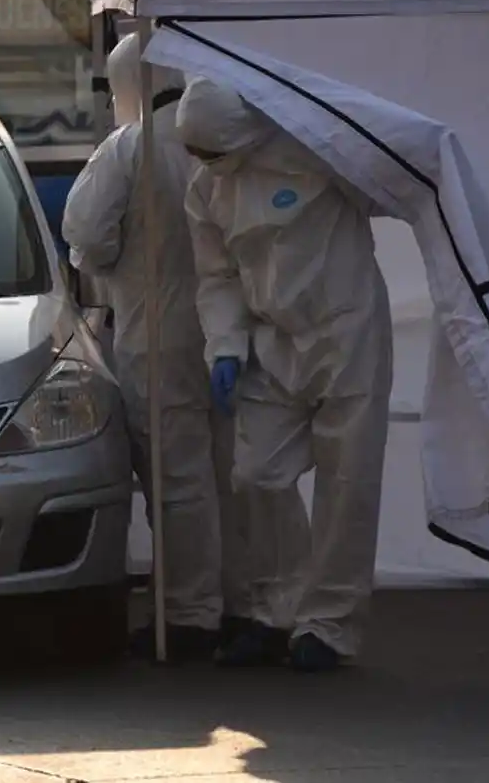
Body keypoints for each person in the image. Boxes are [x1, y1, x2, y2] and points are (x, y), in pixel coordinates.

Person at [176, 75, 392, 673]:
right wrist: (225, 344)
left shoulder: (317, 151)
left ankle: (330, 624)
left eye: (210, 150)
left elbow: (391, 188)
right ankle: (276, 610)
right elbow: (217, 275)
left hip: (346, 329)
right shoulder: (206, 188)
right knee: (257, 475)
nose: (204, 161)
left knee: (347, 478)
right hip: (271, 338)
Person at [62, 34, 256, 661]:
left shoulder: (130, 146)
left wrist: (115, 268)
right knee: (236, 473)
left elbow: (87, 235)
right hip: (233, 329)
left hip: (155, 330)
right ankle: (247, 606)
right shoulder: (229, 138)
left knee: (177, 480)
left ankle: (188, 615)